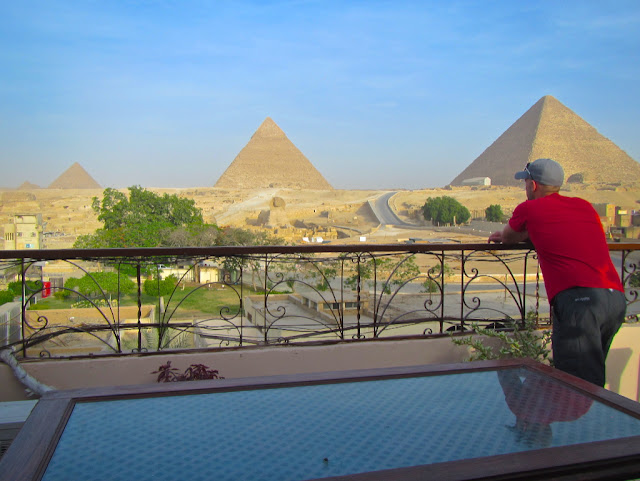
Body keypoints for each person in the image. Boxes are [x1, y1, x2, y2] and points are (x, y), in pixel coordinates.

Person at [488, 158, 626, 387]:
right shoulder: (584, 206)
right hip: (614, 299)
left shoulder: (529, 209)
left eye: (525, 183)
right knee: (592, 376)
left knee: (575, 386)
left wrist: (517, 234)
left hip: (580, 301)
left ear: (533, 185)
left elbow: (508, 236)